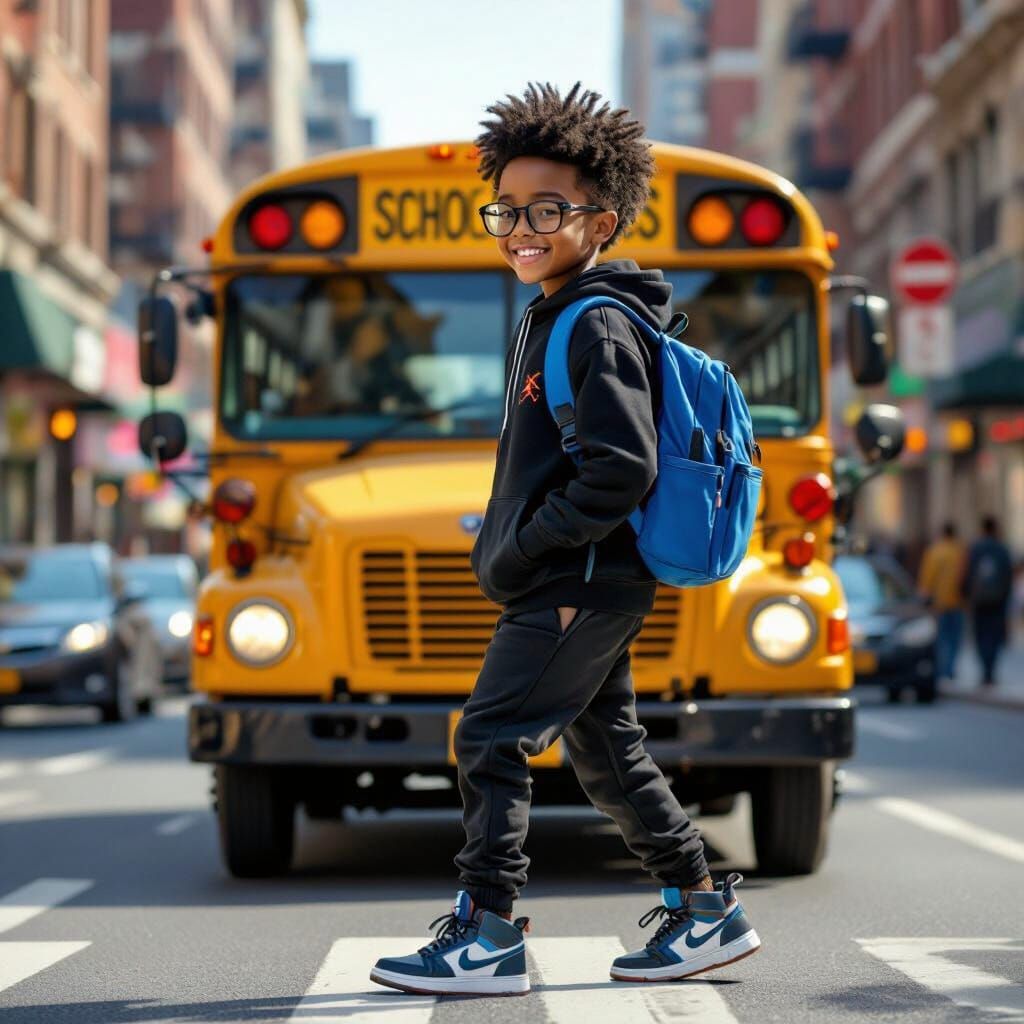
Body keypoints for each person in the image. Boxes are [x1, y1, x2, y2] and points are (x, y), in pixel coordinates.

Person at [370, 81, 759, 998]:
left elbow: (621, 469)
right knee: (606, 749)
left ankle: (487, 934)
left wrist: (528, 547)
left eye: (547, 209)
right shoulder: (558, 311)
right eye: (506, 208)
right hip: (586, 578)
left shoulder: (596, 321)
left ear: (602, 220)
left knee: (491, 736)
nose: (520, 226)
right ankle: (705, 912)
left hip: (577, 578)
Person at [963, 515, 1013, 686]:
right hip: (998, 601)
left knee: (981, 635)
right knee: (995, 635)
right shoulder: (1002, 549)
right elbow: (1008, 576)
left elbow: (968, 574)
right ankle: (990, 670)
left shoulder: (975, 549)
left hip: (980, 601)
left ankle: (986, 670)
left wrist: (967, 595)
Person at [917, 522, 966, 681]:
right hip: (958, 602)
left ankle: (943, 669)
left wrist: (924, 595)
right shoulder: (960, 551)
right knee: (955, 638)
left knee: (942, 639)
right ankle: (950, 669)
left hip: (940, 603)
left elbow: (927, 577)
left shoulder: (935, 551)